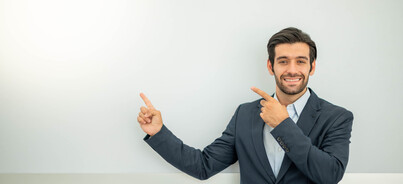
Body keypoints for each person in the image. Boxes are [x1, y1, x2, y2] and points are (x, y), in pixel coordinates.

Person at [137, 27, 353, 184]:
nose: (292, 70)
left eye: (301, 61)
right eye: (283, 61)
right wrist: (158, 133)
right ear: (271, 66)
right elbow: (204, 166)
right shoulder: (246, 114)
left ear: (312, 67)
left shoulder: (336, 117)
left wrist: (282, 124)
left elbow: (330, 174)